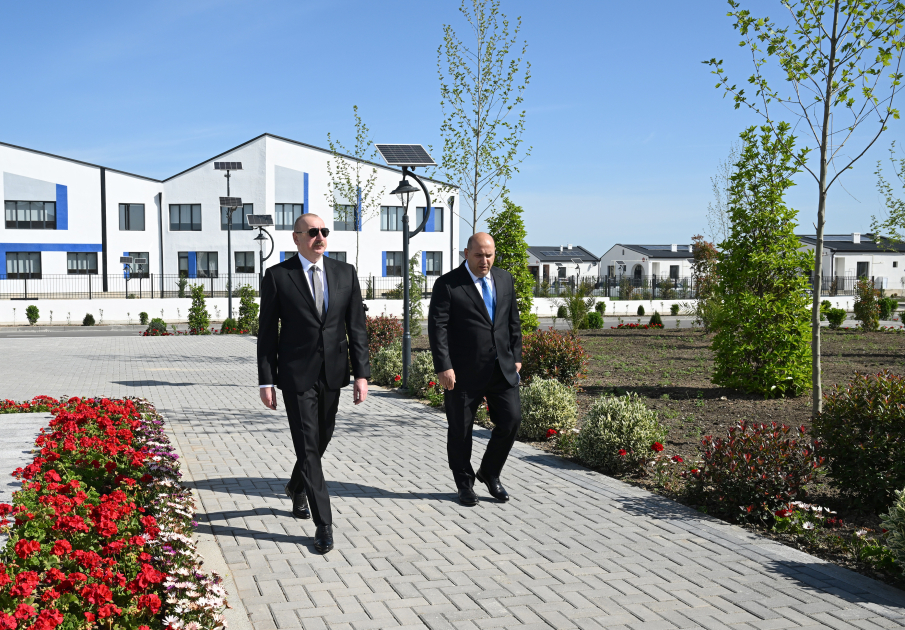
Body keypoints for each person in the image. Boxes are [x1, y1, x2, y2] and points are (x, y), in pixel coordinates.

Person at [257, 213, 370, 553]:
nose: (319, 237)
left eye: (323, 231)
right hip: (296, 375)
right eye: (312, 232)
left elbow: (356, 327)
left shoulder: (345, 273)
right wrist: (266, 381)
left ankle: (295, 486)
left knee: (322, 437)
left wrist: (361, 374)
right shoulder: (278, 276)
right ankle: (324, 524)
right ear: (296, 238)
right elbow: (267, 333)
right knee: (307, 445)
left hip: (333, 372)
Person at [428, 232, 523, 506]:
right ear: (466, 254)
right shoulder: (448, 284)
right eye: (479, 255)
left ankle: (490, 472)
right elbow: (438, 328)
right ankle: (464, 484)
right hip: (462, 372)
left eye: (489, 255)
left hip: (501, 368)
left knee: (511, 420)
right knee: (461, 430)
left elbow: (512, 321)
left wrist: (516, 356)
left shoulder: (504, 279)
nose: (485, 261)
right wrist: (444, 366)